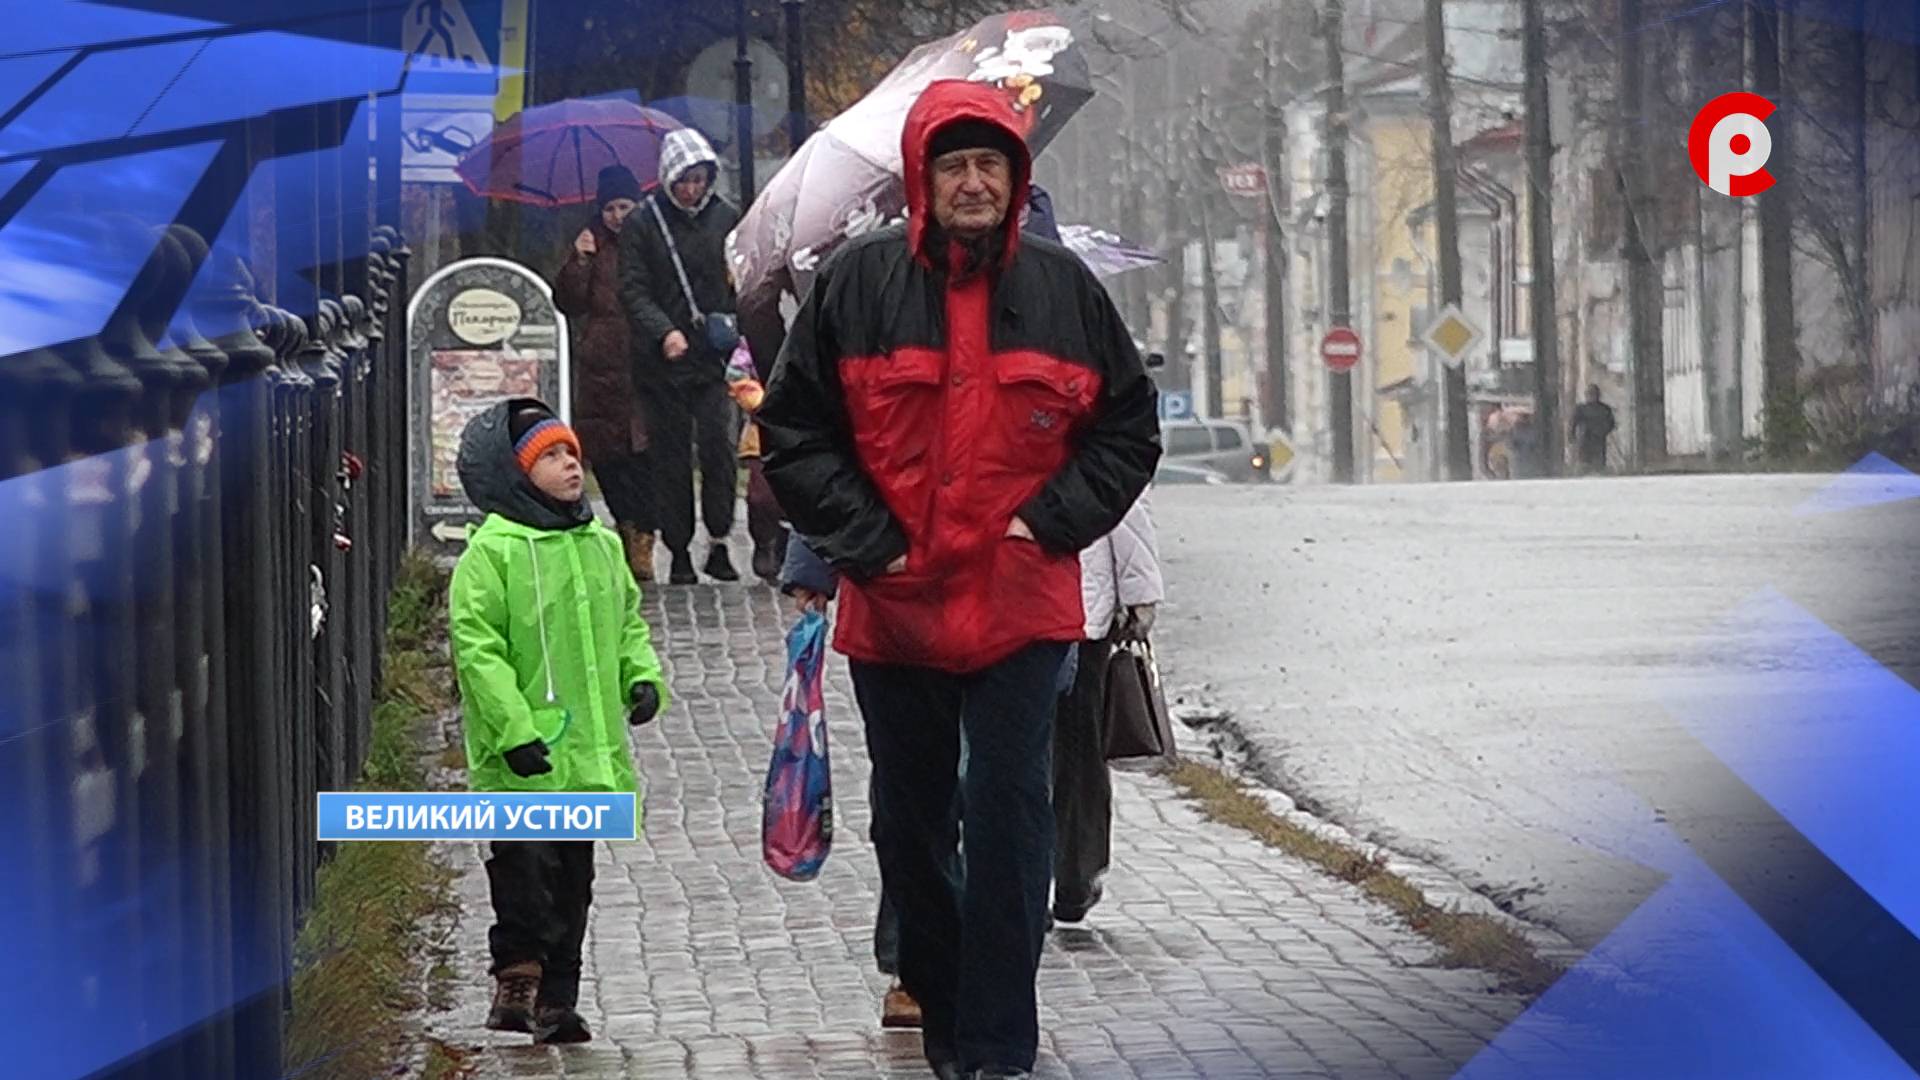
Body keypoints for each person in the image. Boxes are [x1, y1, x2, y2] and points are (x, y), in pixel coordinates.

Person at [759, 81, 1161, 1080]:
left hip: (1022, 607)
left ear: (1015, 178)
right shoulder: (857, 285)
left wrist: (1046, 524)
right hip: (897, 608)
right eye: (954, 166)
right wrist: (867, 544)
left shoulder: (1065, 291)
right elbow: (794, 431)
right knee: (910, 826)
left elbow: (1127, 430)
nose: (974, 182)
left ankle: (997, 1042)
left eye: (990, 165)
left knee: (1012, 814)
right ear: (922, 180)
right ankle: (943, 1011)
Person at [447, 399, 670, 1045]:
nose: (571, 465)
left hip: (586, 757)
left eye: (572, 452)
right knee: (523, 869)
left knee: (573, 880)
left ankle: (558, 997)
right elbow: (479, 649)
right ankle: (517, 974)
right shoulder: (494, 553)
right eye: (550, 456)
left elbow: (626, 622)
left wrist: (641, 677)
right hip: (522, 758)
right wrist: (513, 731)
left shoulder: (600, 545)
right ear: (516, 473)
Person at [619, 128, 743, 585]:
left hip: (713, 358)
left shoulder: (725, 217)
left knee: (719, 447)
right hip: (662, 363)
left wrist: (733, 324)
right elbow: (633, 288)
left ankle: (719, 538)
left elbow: (741, 277)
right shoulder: (643, 222)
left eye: (698, 179)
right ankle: (678, 549)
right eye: (683, 180)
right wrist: (663, 331)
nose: (691, 189)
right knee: (670, 456)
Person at [1052, 491, 1162, 925]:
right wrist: (1140, 596)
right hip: (1084, 612)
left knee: (1028, 751)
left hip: (1034, 608)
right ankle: (1076, 872)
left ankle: (1039, 878)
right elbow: (1125, 500)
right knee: (1080, 748)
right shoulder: (1097, 446)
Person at [554, 165, 659, 581]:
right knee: (607, 455)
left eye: (624, 206)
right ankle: (626, 525)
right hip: (602, 367)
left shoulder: (650, 239)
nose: (617, 216)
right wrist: (580, 261)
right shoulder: (591, 243)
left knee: (645, 455)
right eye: (610, 208)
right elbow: (569, 302)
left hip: (644, 362)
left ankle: (645, 534)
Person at [1571, 384, 1617, 475]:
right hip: (1584, 440)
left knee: (1598, 466)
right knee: (1583, 466)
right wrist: (1572, 436)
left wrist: (1603, 431)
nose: (1591, 396)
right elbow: (1573, 422)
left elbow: (1611, 423)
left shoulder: (1604, 409)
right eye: (1589, 394)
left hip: (1598, 441)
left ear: (1598, 395)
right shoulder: (1581, 409)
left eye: (1593, 394)